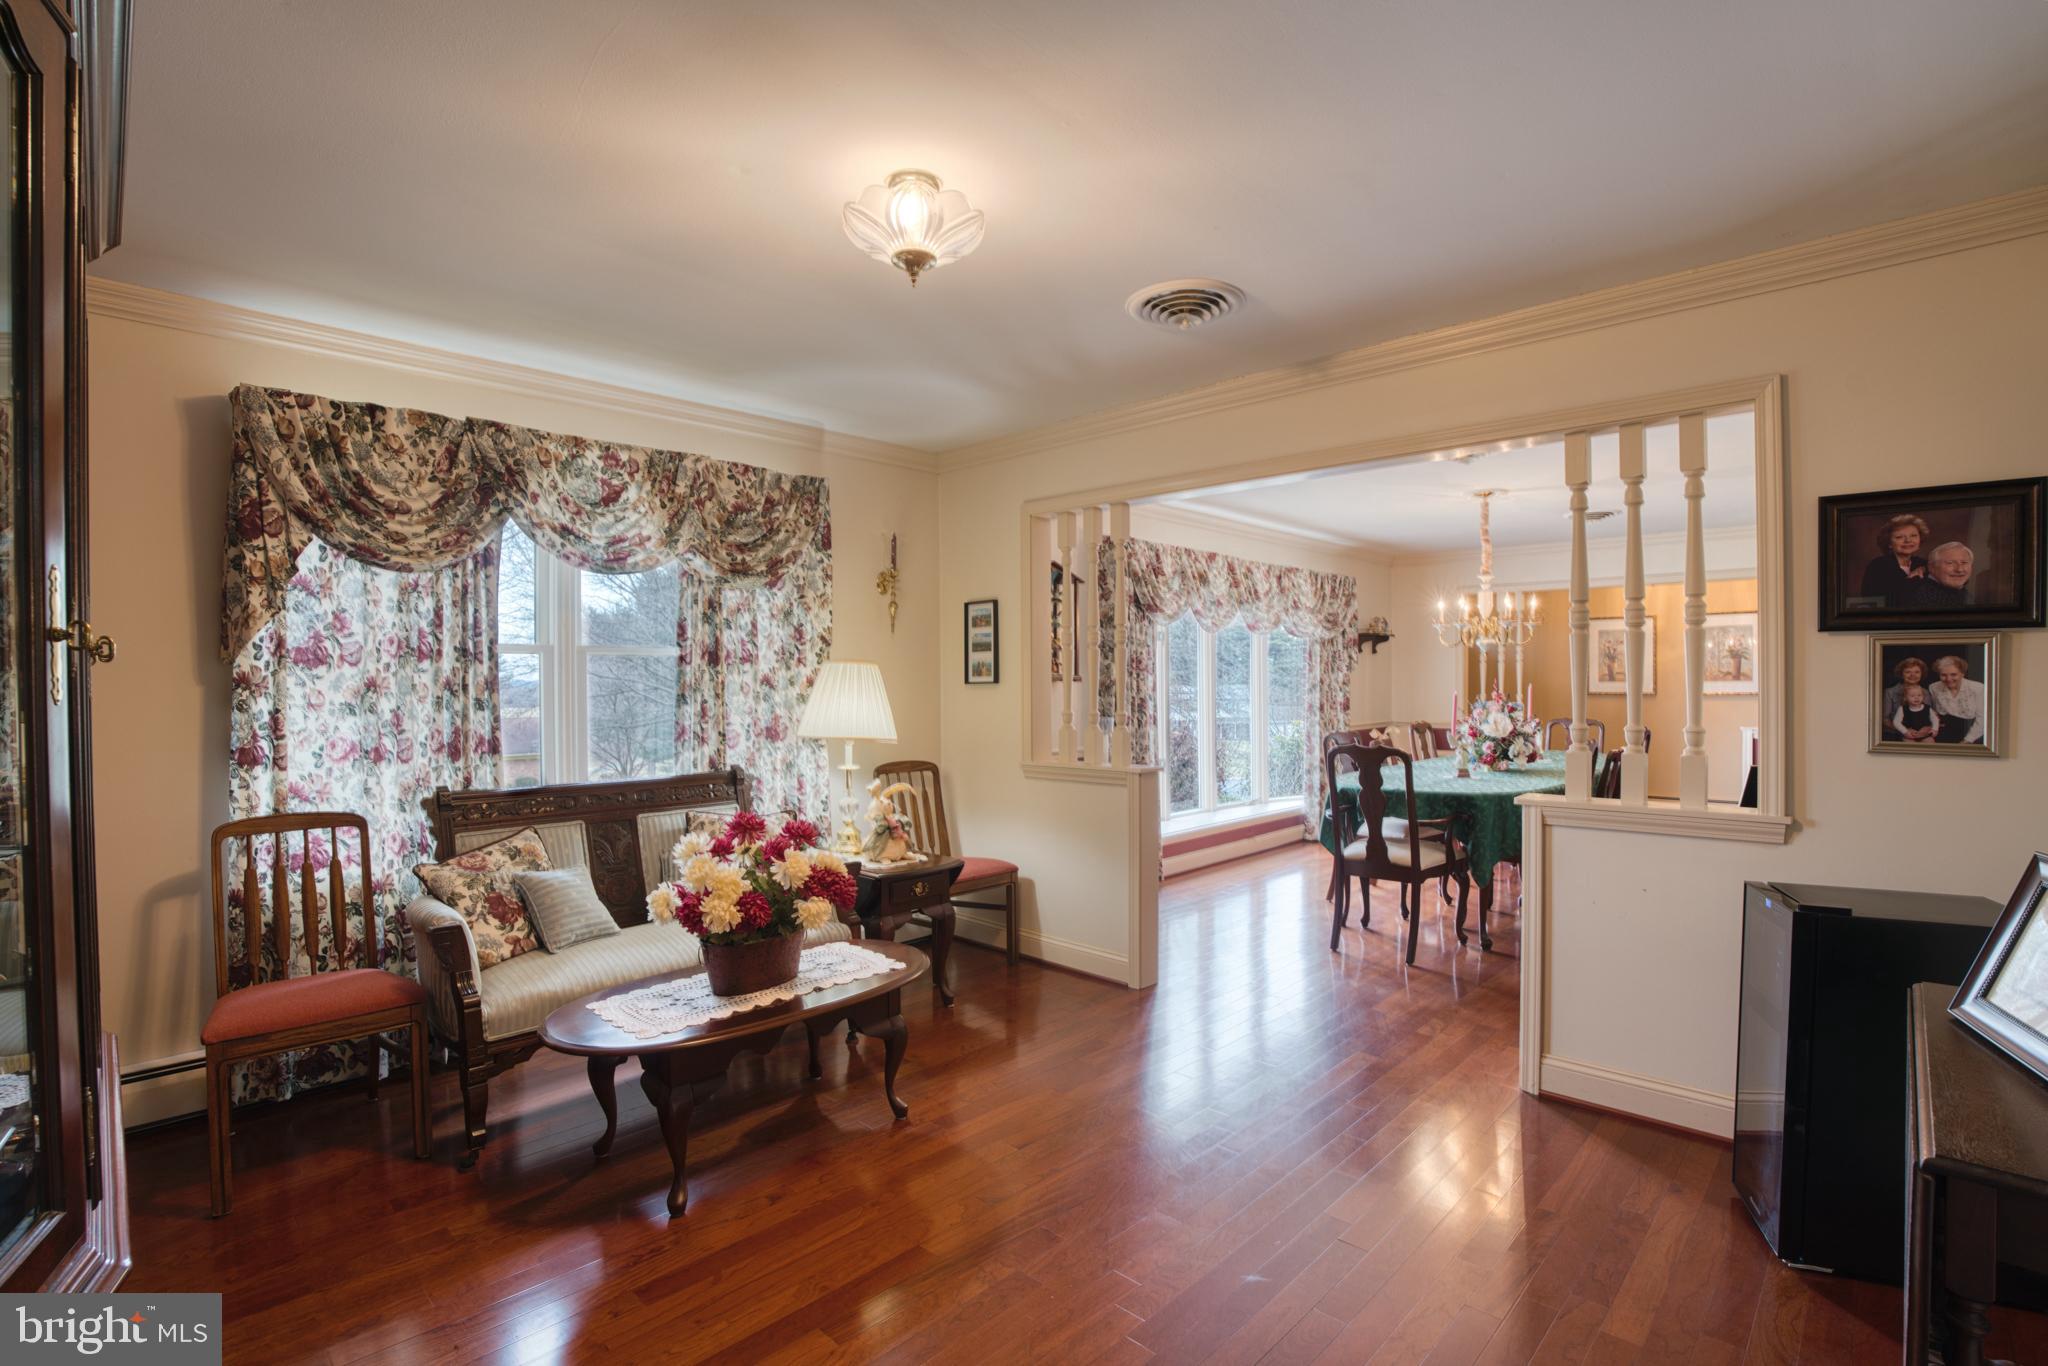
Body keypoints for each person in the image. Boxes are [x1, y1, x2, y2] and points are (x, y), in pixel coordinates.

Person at [1860, 514, 1930, 606]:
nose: (1908, 540)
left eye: (1913, 535)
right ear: (1889, 543)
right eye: (1899, 537)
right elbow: (1878, 601)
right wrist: (1912, 579)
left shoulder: (1924, 564)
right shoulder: (1878, 566)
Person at [1928, 654, 1987, 744]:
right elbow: (1934, 712)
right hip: (1942, 734)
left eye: (1953, 674)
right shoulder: (1934, 687)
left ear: (1962, 673)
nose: (1948, 679)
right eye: (1943, 675)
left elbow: (1982, 718)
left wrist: (1967, 740)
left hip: (1973, 734)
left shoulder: (1978, 688)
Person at [1904, 540, 1975, 609]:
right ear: (1931, 567)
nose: (1959, 569)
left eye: (1964, 562)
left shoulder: (1966, 595)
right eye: (1950, 563)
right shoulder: (1919, 594)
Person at [1882, 656, 1930, 723]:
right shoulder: (1889, 692)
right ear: (1901, 674)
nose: (1912, 675)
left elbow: (1929, 716)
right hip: (1896, 729)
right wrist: (1902, 729)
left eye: (1917, 672)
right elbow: (1885, 718)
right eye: (1908, 672)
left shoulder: (1926, 692)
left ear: (1922, 674)